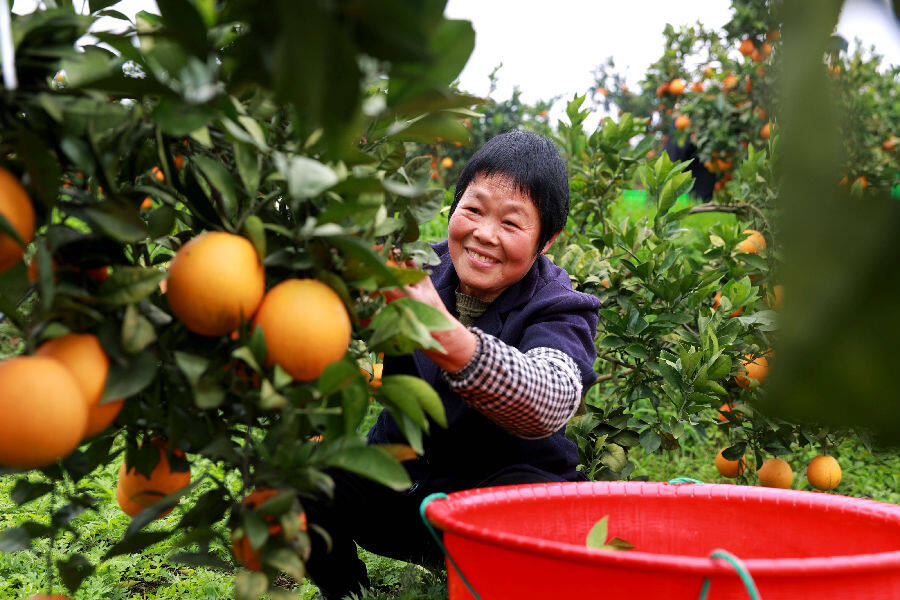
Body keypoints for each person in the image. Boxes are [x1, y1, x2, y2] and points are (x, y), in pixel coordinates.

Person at [304, 130, 600, 599]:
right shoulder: (417, 267)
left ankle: (493, 578)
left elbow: (551, 396)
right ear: (453, 206)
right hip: (405, 488)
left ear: (546, 240)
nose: (485, 234)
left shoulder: (560, 306)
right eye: (474, 210)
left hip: (498, 501)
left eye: (511, 223)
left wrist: (445, 334)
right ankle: (345, 591)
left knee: (533, 514)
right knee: (304, 476)